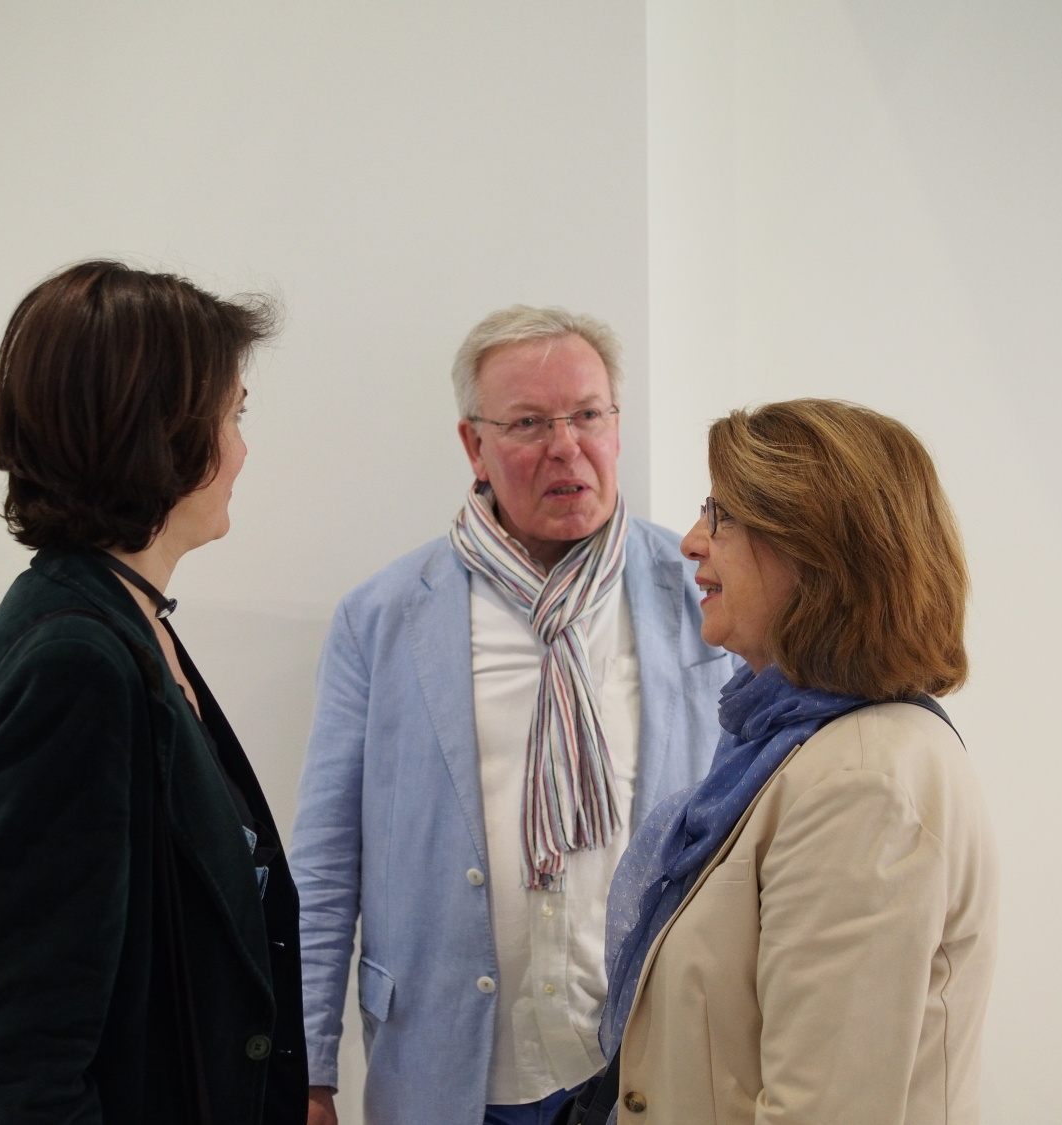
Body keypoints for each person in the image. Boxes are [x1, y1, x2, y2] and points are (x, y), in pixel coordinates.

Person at [290, 305, 731, 1125]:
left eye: (588, 415)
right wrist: (309, 1069)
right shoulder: (382, 617)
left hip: (647, 1064)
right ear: (474, 445)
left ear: (617, 425)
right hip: (451, 1069)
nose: (566, 446)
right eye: (529, 423)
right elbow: (324, 861)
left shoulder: (702, 595)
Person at [0, 261, 308, 1124]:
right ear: (163, 430)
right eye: (233, 415)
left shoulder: (122, 621)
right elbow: (14, 1064)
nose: (243, 449)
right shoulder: (76, 663)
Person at [591, 399, 998, 1124]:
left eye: (722, 517)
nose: (692, 542)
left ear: (814, 554)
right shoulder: (788, 746)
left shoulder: (861, 784)